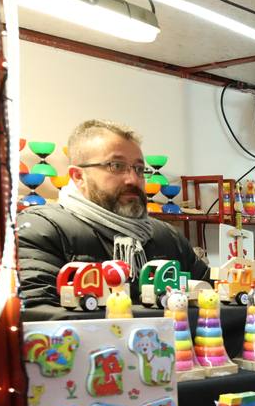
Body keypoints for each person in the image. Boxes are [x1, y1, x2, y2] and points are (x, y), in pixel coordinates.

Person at [18, 119, 210, 309]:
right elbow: (41, 316)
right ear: (78, 176)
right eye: (116, 166)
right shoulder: (40, 228)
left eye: (139, 169)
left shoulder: (168, 236)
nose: (133, 179)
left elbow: (211, 303)